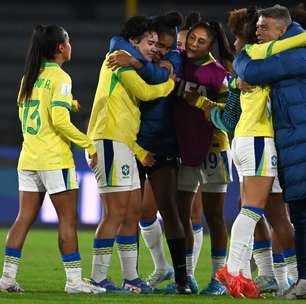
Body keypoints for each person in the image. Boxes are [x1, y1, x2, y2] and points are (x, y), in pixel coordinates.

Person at [0, 25, 105, 294]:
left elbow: (30, 116)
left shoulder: (29, 77)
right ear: (60, 47)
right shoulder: (61, 77)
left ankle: (7, 279)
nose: (70, 46)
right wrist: (88, 143)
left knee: (23, 219)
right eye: (68, 41)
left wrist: (68, 104)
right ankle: (73, 282)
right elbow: (59, 121)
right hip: (54, 160)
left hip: (29, 158)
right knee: (68, 222)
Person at [214, 5, 306, 298]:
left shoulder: (254, 58)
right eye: (257, 29)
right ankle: (234, 270)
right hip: (258, 139)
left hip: (245, 139)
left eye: (263, 29)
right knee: (253, 211)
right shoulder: (259, 54)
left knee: (259, 212)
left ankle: (246, 275)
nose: (258, 34)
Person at [86, 16, 175, 293]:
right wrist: (170, 82)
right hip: (109, 142)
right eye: (149, 42)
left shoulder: (131, 62)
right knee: (115, 213)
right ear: (134, 41)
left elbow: (125, 112)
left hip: (123, 144)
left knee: (132, 211)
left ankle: (131, 278)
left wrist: (138, 150)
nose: (153, 48)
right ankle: (98, 277)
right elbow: (145, 93)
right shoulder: (118, 58)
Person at [107, 12, 193, 294]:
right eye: (158, 45)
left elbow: (157, 75)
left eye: (168, 47)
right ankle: (133, 277)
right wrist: (135, 56)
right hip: (133, 144)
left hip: (162, 144)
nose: (162, 52)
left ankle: (182, 281)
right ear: (148, 38)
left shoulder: (175, 60)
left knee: (169, 210)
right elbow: (116, 40)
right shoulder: (129, 46)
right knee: (132, 213)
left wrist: (134, 61)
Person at [175, 20, 234, 295]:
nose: (193, 45)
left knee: (214, 215)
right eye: (192, 39)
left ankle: (218, 279)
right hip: (186, 147)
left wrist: (198, 101)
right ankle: (186, 277)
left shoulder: (218, 73)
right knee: (182, 212)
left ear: (211, 45)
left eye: (201, 41)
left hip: (213, 148)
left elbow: (228, 113)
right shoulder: (181, 64)